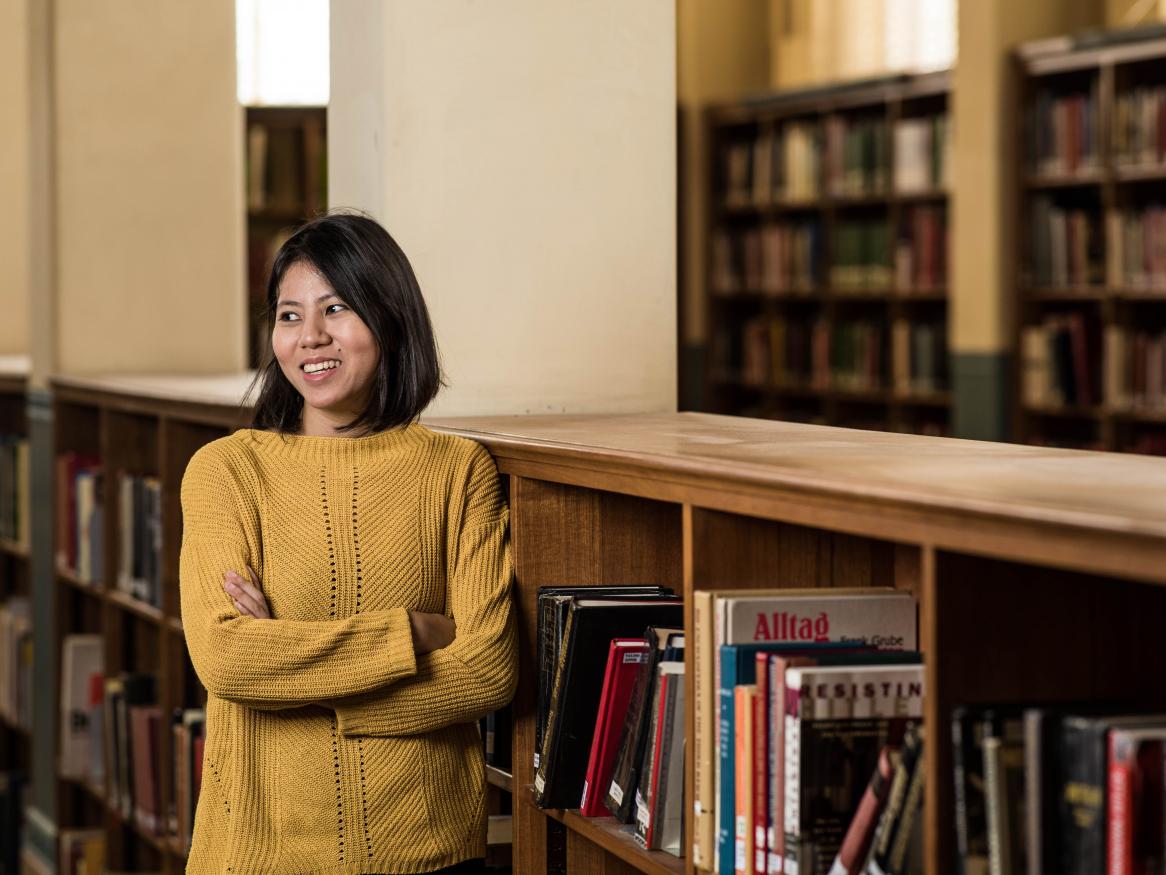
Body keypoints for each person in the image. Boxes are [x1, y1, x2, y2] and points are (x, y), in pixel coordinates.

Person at [179, 212, 518, 874]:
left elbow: (487, 670)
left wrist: (289, 664)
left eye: (336, 309)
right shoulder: (225, 471)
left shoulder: (458, 471)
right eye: (288, 315)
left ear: (389, 318)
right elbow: (226, 658)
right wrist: (411, 635)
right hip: (260, 853)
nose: (310, 337)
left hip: (430, 850)